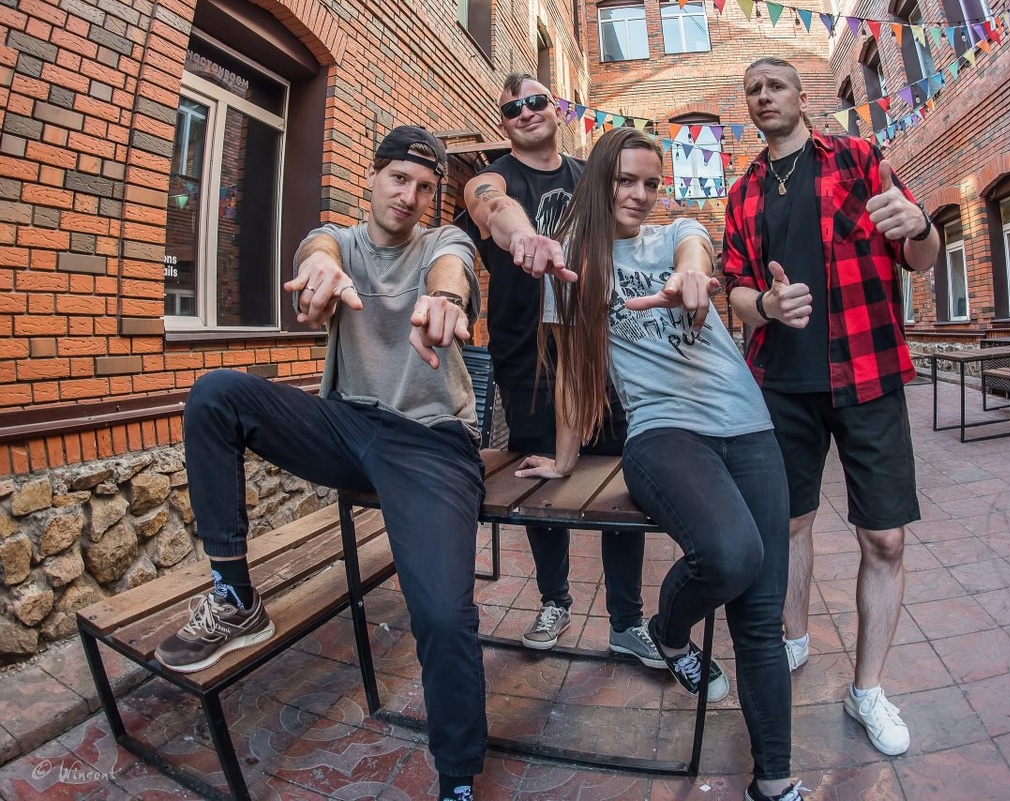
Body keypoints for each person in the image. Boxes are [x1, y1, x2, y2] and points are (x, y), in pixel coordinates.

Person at [155, 127, 488, 801]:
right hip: (346, 426)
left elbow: (454, 267)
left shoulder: (440, 243)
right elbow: (319, 247)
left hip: (430, 440)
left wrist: (447, 299)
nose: (410, 196)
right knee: (217, 394)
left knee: (443, 615)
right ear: (372, 177)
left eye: (424, 187)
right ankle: (235, 596)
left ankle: (456, 777)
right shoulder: (339, 240)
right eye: (398, 179)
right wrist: (321, 269)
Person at [516, 127, 805, 801]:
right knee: (732, 555)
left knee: (761, 617)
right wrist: (564, 459)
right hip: (663, 433)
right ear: (600, 180)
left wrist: (692, 273)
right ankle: (669, 633)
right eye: (626, 180)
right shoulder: (574, 264)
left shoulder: (677, 233)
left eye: (651, 182)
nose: (641, 194)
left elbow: (693, 250)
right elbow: (572, 374)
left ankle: (775, 782)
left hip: (748, 425)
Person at [723, 56, 941, 758]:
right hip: (780, 386)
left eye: (775, 86)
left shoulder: (857, 158)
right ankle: (793, 638)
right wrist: (765, 305)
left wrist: (921, 223)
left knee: (886, 539)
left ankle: (867, 689)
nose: (764, 97)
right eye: (753, 90)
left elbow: (921, 256)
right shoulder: (743, 191)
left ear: (801, 95)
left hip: (868, 374)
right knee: (788, 525)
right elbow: (736, 291)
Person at [463, 73, 662, 668]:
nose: (526, 113)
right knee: (539, 479)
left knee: (619, 484)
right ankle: (554, 601)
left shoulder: (592, 175)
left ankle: (627, 620)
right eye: (512, 109)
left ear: (556, 109)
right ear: (504, 123)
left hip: (600, 354)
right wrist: (527, 237)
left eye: (535, 101)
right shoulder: (492, 177)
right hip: (526, 360)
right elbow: (492, 206)